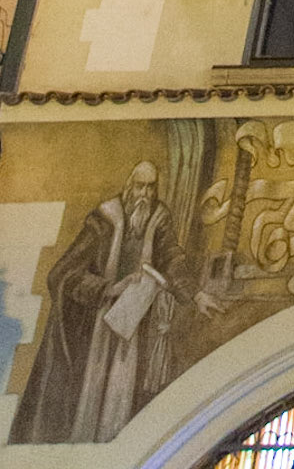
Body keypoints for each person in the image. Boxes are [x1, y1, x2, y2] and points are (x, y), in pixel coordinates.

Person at [13, 160, 222, 444]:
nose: (145, 195)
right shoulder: (103, 219)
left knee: (122, 395)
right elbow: (63, 274)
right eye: (140, 186)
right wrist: (109, 289)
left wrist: (195, 294)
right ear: (129, 186)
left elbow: (173, 259)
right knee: (90, 393)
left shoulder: (158, 219)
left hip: (134, 328)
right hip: (95, 327)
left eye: (151, 187)